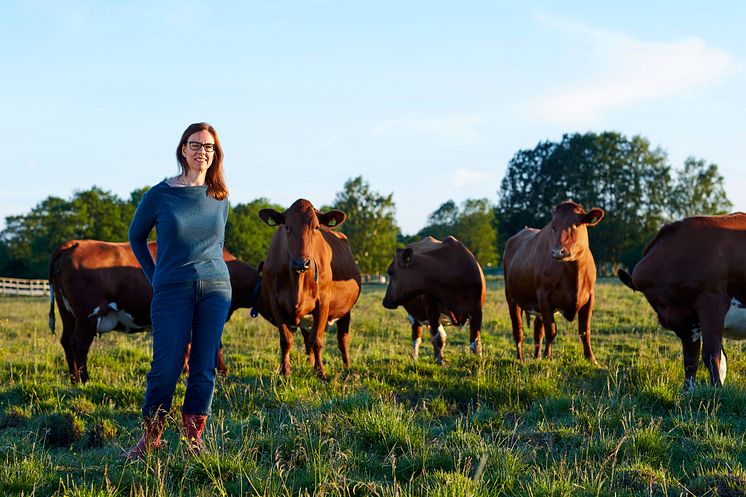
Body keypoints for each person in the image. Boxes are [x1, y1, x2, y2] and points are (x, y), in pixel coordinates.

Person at [122, 122, 231, 459]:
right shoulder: (159, 195)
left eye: (209, 147)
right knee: (166, 366)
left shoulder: (219, 196)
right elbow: (136, 238)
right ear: (183, 149)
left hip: (216, 288)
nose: (203, 152)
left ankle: (193, 438)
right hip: (171, 290)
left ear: (216, 154)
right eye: (196, 145)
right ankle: (151, 438)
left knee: (203, 366)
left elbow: (215, 244)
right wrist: (157, 277)